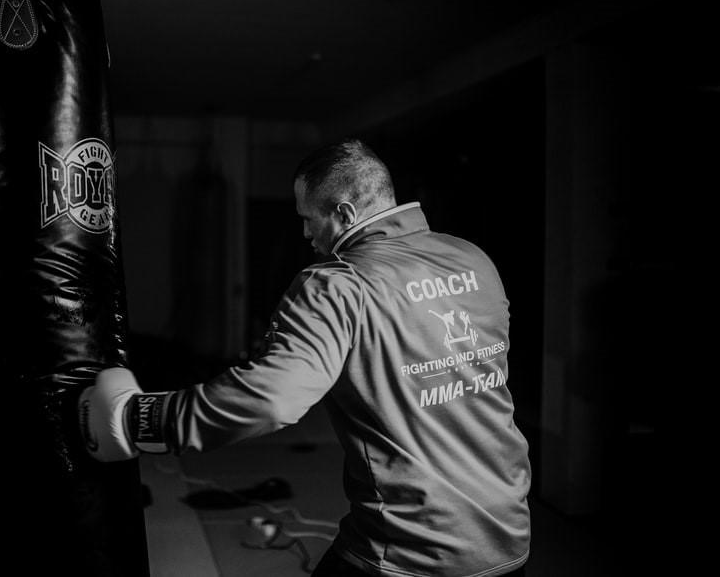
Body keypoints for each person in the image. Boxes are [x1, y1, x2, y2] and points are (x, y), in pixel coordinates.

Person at [81, 138, 531, 576]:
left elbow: (271, 399)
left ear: (345, 214)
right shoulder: (473, 259)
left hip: (411, 547)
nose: (306, 234)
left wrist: (144, 420)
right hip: (508, 532)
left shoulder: (338, 284)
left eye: (309, 219)